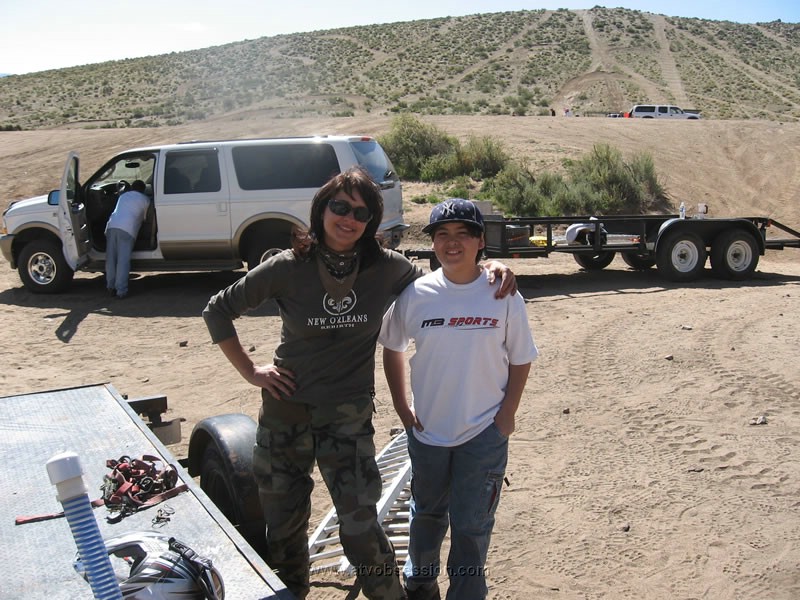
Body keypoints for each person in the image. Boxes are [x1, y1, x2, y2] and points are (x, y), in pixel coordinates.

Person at [202, 168, 517, 600]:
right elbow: (217, 310)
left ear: (371, 223)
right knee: (285, 521)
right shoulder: (286, 267)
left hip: (347, 417)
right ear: (321, 209)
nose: (348, 218)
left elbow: (447, 279)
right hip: (285, 413)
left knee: (360, 524)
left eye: (361, 212)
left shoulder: (388, 269)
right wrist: (251, 371)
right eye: (340, 207)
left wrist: (492, 267)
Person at [379, 198, 539, 600]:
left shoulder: (503, 293)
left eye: (463, 234)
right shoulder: (416, 294)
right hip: (428, 431)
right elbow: (392, 347)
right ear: (432, 243)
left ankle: (467, 592)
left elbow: (521, 359)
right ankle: (420, 585)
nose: (453, 244)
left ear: (480, 241)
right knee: (426, 515)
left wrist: (507, 415)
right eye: (442, 235)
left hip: (483, 434)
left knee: (471, 524)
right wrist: (402, 405)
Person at [105, 179, 150, 298]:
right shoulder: (145, 200)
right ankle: (121, 290)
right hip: (127, 230)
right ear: (143, 190)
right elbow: (145, 218)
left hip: (111, 226)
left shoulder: (123, 196)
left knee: (111, 259)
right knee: (122, 261)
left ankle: (110, 286)